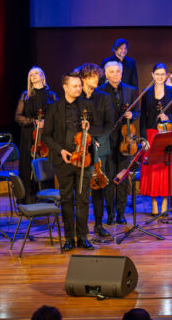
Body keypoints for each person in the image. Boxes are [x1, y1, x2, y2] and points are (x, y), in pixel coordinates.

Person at [43, 71, 99, 252]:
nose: (79, 89)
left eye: (80, 86)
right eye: (75, 86)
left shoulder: (87, 105)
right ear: (65, 87)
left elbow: (97, 128)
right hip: (63, 160)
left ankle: (83, 237)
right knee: (67, 199)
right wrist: (61, 151)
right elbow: (46, 136)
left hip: (85, 159)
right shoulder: (53, 107)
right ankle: (69, 238)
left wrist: (89, 128)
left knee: (83, 199)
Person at [140, 63, 172, 216]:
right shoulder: (147, 92)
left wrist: (168, 117)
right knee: (152, 169)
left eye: (163, 74)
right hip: (151, 133)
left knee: (166, 168)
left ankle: (165, 201)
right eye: (157, 74)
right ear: (152, 75)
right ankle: (153, 203)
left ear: (166, 76)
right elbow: (142, 118)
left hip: (166, 133)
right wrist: (143, 138)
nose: (160, 77)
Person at [77, 62, 114, 238]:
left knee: (98, 186)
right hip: (82, 146)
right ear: (84, 78)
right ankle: (81, 226)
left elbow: (110, 123)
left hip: (101, 145)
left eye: (97, 76)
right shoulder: (77, 98)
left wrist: (99, 140)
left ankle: (99, 224)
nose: (97, 79)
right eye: (93, 76)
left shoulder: (104, 97)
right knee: (83, 187)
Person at [99, 60, 139, 225]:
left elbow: (137, 111)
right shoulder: (100, 92)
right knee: (108, 178)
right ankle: (110, 214)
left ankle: (121, 213)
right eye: (112, 72)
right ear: (106, 74)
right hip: (107, 141)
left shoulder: (130, 91)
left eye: (118, 71)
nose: (116, 74)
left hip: (125, 141)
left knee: (122, 177)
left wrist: (133, 116)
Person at [15, 66, 58, 203]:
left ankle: (47, 199)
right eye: (31, 75)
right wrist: (33, 121)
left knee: (46, 164)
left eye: (36, 74)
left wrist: (47, 122)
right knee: (29, 165)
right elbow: (17, 116)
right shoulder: (25, 95)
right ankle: (29, 199)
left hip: (46, 136)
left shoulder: (51, 95)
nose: (33, 76)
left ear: (42, 76)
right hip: (29, 135)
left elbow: (58, 116)